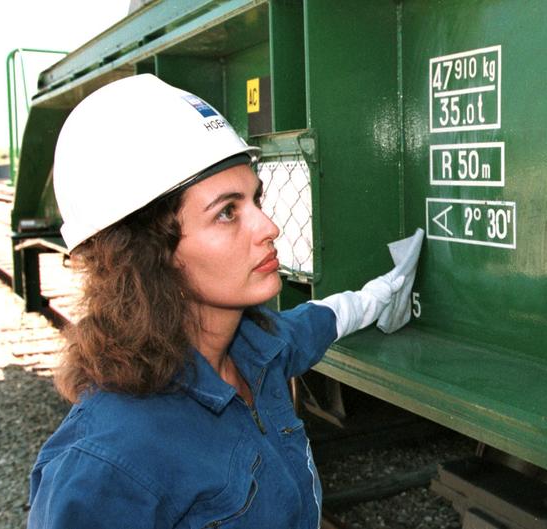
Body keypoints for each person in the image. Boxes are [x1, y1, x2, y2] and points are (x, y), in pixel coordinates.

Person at [26, 74, 417, 528]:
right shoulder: (106, 466)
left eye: (256, 199)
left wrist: (380, 295)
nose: (269, 226)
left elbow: (320, 320)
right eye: (227, 212)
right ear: (149, 254)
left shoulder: (254, 351)